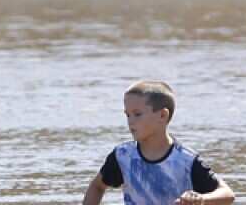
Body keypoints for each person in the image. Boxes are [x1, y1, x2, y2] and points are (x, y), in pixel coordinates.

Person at [81, 80, 235, 205]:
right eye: (127, 115)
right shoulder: (123, 156)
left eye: (137, 114)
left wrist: (201, 199)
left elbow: (228, 195)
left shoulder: (186, 161)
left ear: (162, 115)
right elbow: (97, 186)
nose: (130, 121)